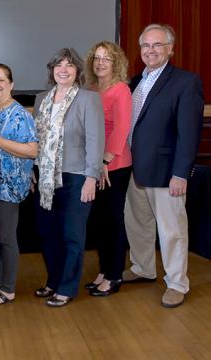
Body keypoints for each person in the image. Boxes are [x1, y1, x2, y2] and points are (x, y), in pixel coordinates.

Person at [122, 24, 204, 308]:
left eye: (157, 45)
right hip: (133, 168)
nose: (150, 50)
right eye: (145, 45)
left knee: (172, 230)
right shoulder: (135, 81)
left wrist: (181, 173)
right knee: (137, 224)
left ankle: (177, 283)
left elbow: (189, 133)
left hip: (166, 171)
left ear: (170, 48)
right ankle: (143, 268)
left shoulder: (185, 81)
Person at [32, 48, 104, 307]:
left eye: (69, 65)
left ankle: (67, 287)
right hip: (46, 177)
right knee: (48, 233)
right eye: (59, 65)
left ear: (77, 71)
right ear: (52, 70)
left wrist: (91, 178)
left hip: (76, 177)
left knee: (72, 234)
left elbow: (96, 141)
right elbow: (36, 140)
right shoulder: (42, 99)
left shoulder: (88, 99)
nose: (64, 69)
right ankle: (53, 281)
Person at [0, 64, 38, 305]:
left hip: (8, 186)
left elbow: (33, 150)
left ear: (11, 84)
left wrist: (0, 141)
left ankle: (8, 288)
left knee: (6, 237)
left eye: (1, 80)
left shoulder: (20, 114)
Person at [83, 41, 132, 296]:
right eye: (97, 58)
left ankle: (114, 275)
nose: (100, 63)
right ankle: (103, 270)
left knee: (113, 221)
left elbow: (122, 129)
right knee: (100, 222)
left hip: (115, 166)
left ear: (116, 63)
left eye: (107, 59)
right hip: (95, 165)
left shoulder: (121, 89)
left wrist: (104, 162)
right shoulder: (91, 89)